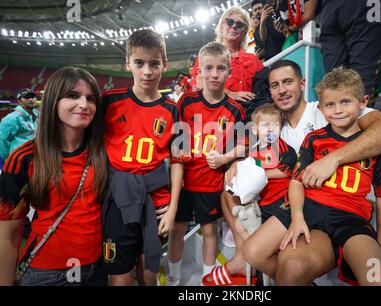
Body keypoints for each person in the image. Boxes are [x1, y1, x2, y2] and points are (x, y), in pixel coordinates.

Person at [213, 59, 381, 284]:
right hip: (299, 203)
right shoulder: (283, 125)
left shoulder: (327, 106)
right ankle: (242, 258)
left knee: (377, 279)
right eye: (275, 85)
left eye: (288, 82)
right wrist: (240, 162)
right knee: (229, 193)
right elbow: (260, 147)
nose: (282, 90)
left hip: (343, 212)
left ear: (302, 83)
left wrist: (333, 159)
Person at [278, 67, 381, 285]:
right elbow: (296, 180)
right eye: (330, 104)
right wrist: (297, 216)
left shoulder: (374, 143)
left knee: (378, 279)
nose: (337, 110)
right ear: (320, 107)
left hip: (352, 222)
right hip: (314, 218)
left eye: (345, 102)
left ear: (363, 101)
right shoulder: (313, 139)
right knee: (291, 269)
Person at [0, 67, 108, 286]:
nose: (84, 105)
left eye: (90, 98)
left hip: (96, 268)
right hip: (47, 273)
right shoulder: (22, 158)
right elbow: (8, 235)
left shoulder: (104, 152)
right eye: (73, 96)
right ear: (53, 101)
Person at [101, 29, 183, 286]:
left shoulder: (172, 110)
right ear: (128, 63)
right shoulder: (109, 101)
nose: (147, 71)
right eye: (139, 63)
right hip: (118, 200)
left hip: (155, 202)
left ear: (164, 65)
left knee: (149, 274)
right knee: (119, 275)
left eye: (154, 64)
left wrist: (172, 209)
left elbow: (179, 162)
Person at [167, 42, 246, 286]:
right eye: (208, 68)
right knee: (177, 230)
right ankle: (173, 277)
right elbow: (175, 144)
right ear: (198, 70)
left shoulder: (235, 109)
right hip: (184, 181)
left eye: (220, 68)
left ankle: (206, 279)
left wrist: (224, 158)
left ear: (229, 71)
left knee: (209, 231)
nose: (214, 74)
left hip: (210, 183)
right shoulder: (186, 101)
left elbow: (244, 144)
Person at [239, 104, 297, 280]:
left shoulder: (285, 148)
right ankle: (262, 278)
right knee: (259, 243)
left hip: (283, 202)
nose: (270, 129)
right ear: (255, 129)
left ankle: (287, 277)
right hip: (263, 203)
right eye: (265, 125)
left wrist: (261, 174)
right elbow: (250, 177)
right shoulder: (254, 152)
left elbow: (285, 170)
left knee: (279, 246)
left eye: (275, 125)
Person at [190, 6, 265, 104]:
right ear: (221, 26)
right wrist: (229, 94)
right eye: (230, 22)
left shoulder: (253, 60)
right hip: (218, 115)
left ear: (245, 32)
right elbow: (199, 85)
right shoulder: (206, 55)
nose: (234, 26)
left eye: (239, 24)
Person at [0, 88, 39, 161]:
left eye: (33, 97)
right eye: (27, 97)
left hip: (35, 158)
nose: (31, 99)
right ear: (19, 101)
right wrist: (9, 159)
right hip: (19, 160)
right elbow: (3, 141)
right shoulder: (11, 119)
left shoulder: (38, 115)